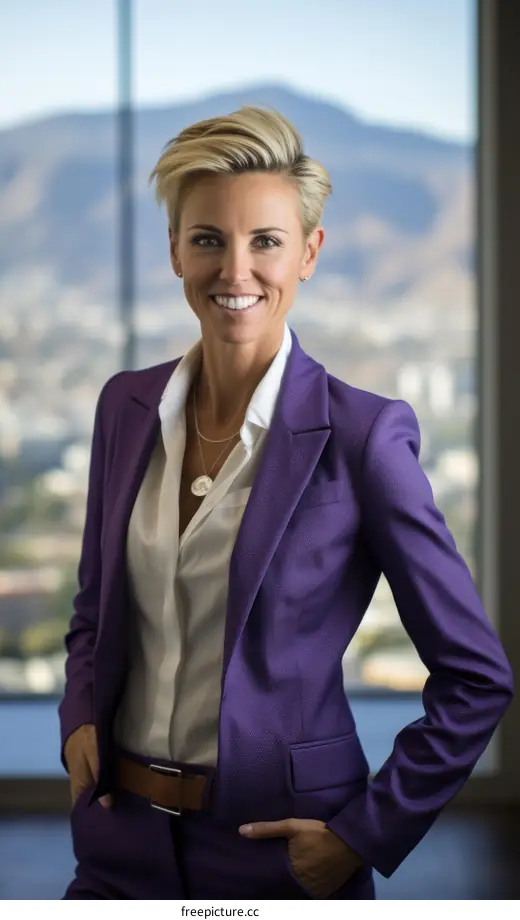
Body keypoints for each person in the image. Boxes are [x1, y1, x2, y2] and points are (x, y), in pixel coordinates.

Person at [59, 105, 513, 900]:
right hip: (117, 841)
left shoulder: (364, 437)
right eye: (208, 239)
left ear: (309, 253)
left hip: (279, 849)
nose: (236, 271)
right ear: (173, 250)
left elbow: (477, 678)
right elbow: (96, 607)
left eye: (266, 241)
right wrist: (79, 723)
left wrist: (362, 835)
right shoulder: (124, 407)